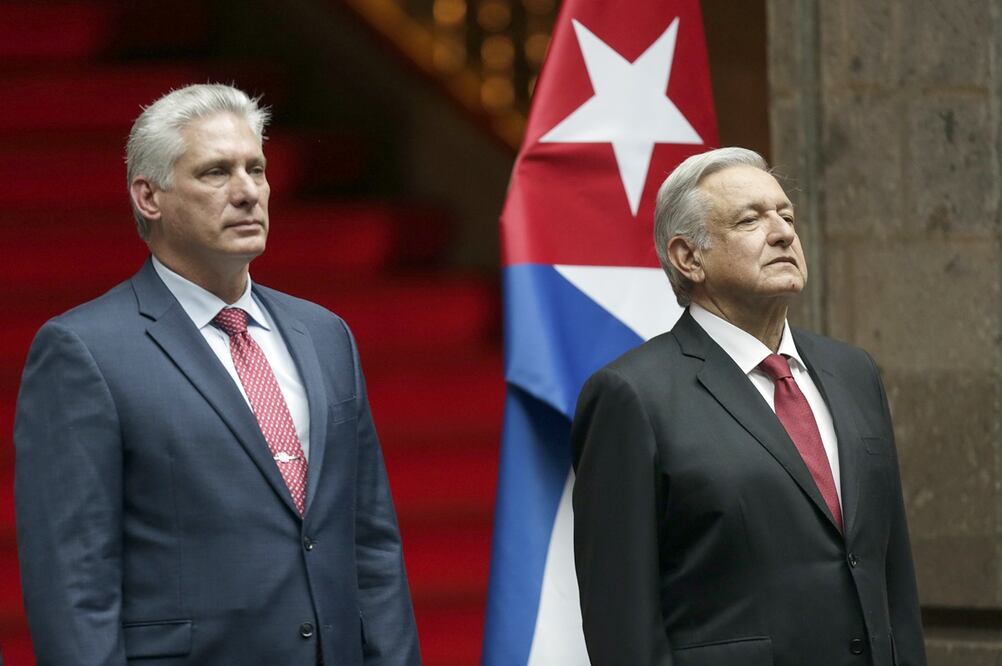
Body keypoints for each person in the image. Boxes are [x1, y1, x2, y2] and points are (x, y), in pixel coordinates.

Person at [14, 84, 420, 665]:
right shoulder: (84, 351)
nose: (247, 191)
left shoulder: (325, 333)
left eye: (256, 168)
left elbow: (371, 542)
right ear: (149, 197)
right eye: (215, 172)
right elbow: (73, 581)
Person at [571, 147, 926, 665]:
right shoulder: (632, 397)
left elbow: (893, 576)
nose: (783, 232)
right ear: (688, 257)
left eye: (786, 215)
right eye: (750, 220)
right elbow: (621, 626)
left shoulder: (853, 372)